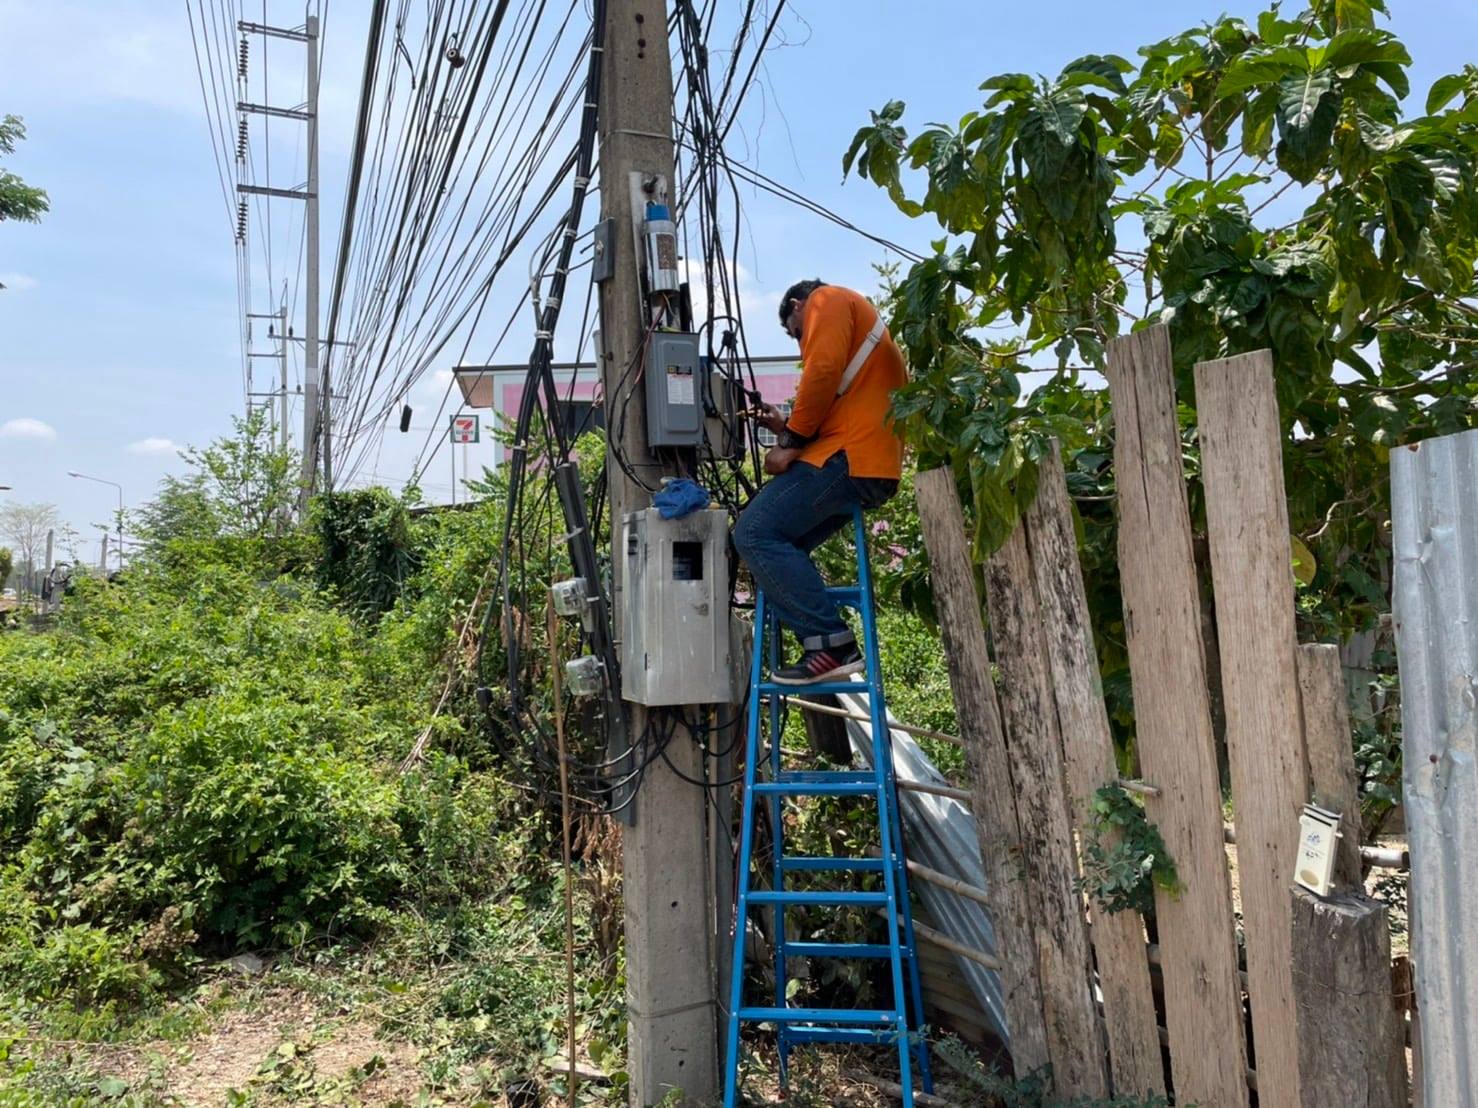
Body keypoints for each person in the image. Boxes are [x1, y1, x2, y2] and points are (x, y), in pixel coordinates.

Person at [733, 278, 907, 684]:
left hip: (849, 457)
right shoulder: (855, 320)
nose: (801, 342)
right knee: (781, 544)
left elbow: (824, 370)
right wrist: (786, 425)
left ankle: (831, 643)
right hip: (867, 461)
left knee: (753, 533)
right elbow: (839, 395)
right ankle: (823, 643)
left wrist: (790, 442)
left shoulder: (825, 298)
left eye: (796, 333)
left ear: (798, 305)